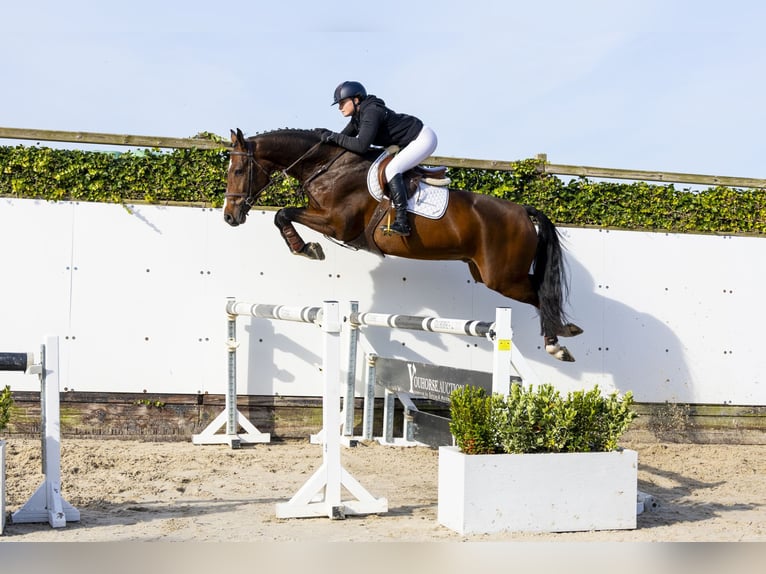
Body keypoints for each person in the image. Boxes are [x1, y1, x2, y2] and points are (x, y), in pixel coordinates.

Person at [319, 81, 438, 236]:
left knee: (392, 169)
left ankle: (402, 222)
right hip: (407, 143)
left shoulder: (371, 111)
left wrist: (334, 137)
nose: (340, 107)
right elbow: (342, 139)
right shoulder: (358, 117)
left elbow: (361, 145)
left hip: (423, 139)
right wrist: (322, 139)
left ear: (356, 100)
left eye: (342, 102)